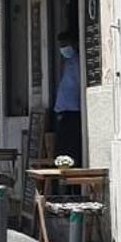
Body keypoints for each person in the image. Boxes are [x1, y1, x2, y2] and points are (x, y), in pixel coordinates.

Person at [53, 31, 82, 161]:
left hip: (73, 111)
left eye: (66, 44)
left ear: (74, 44)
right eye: (61, 45)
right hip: (63, 111)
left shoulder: (78, 62)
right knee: (62, 148)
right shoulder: (66, 62)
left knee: (70, 147)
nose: (63, 48)